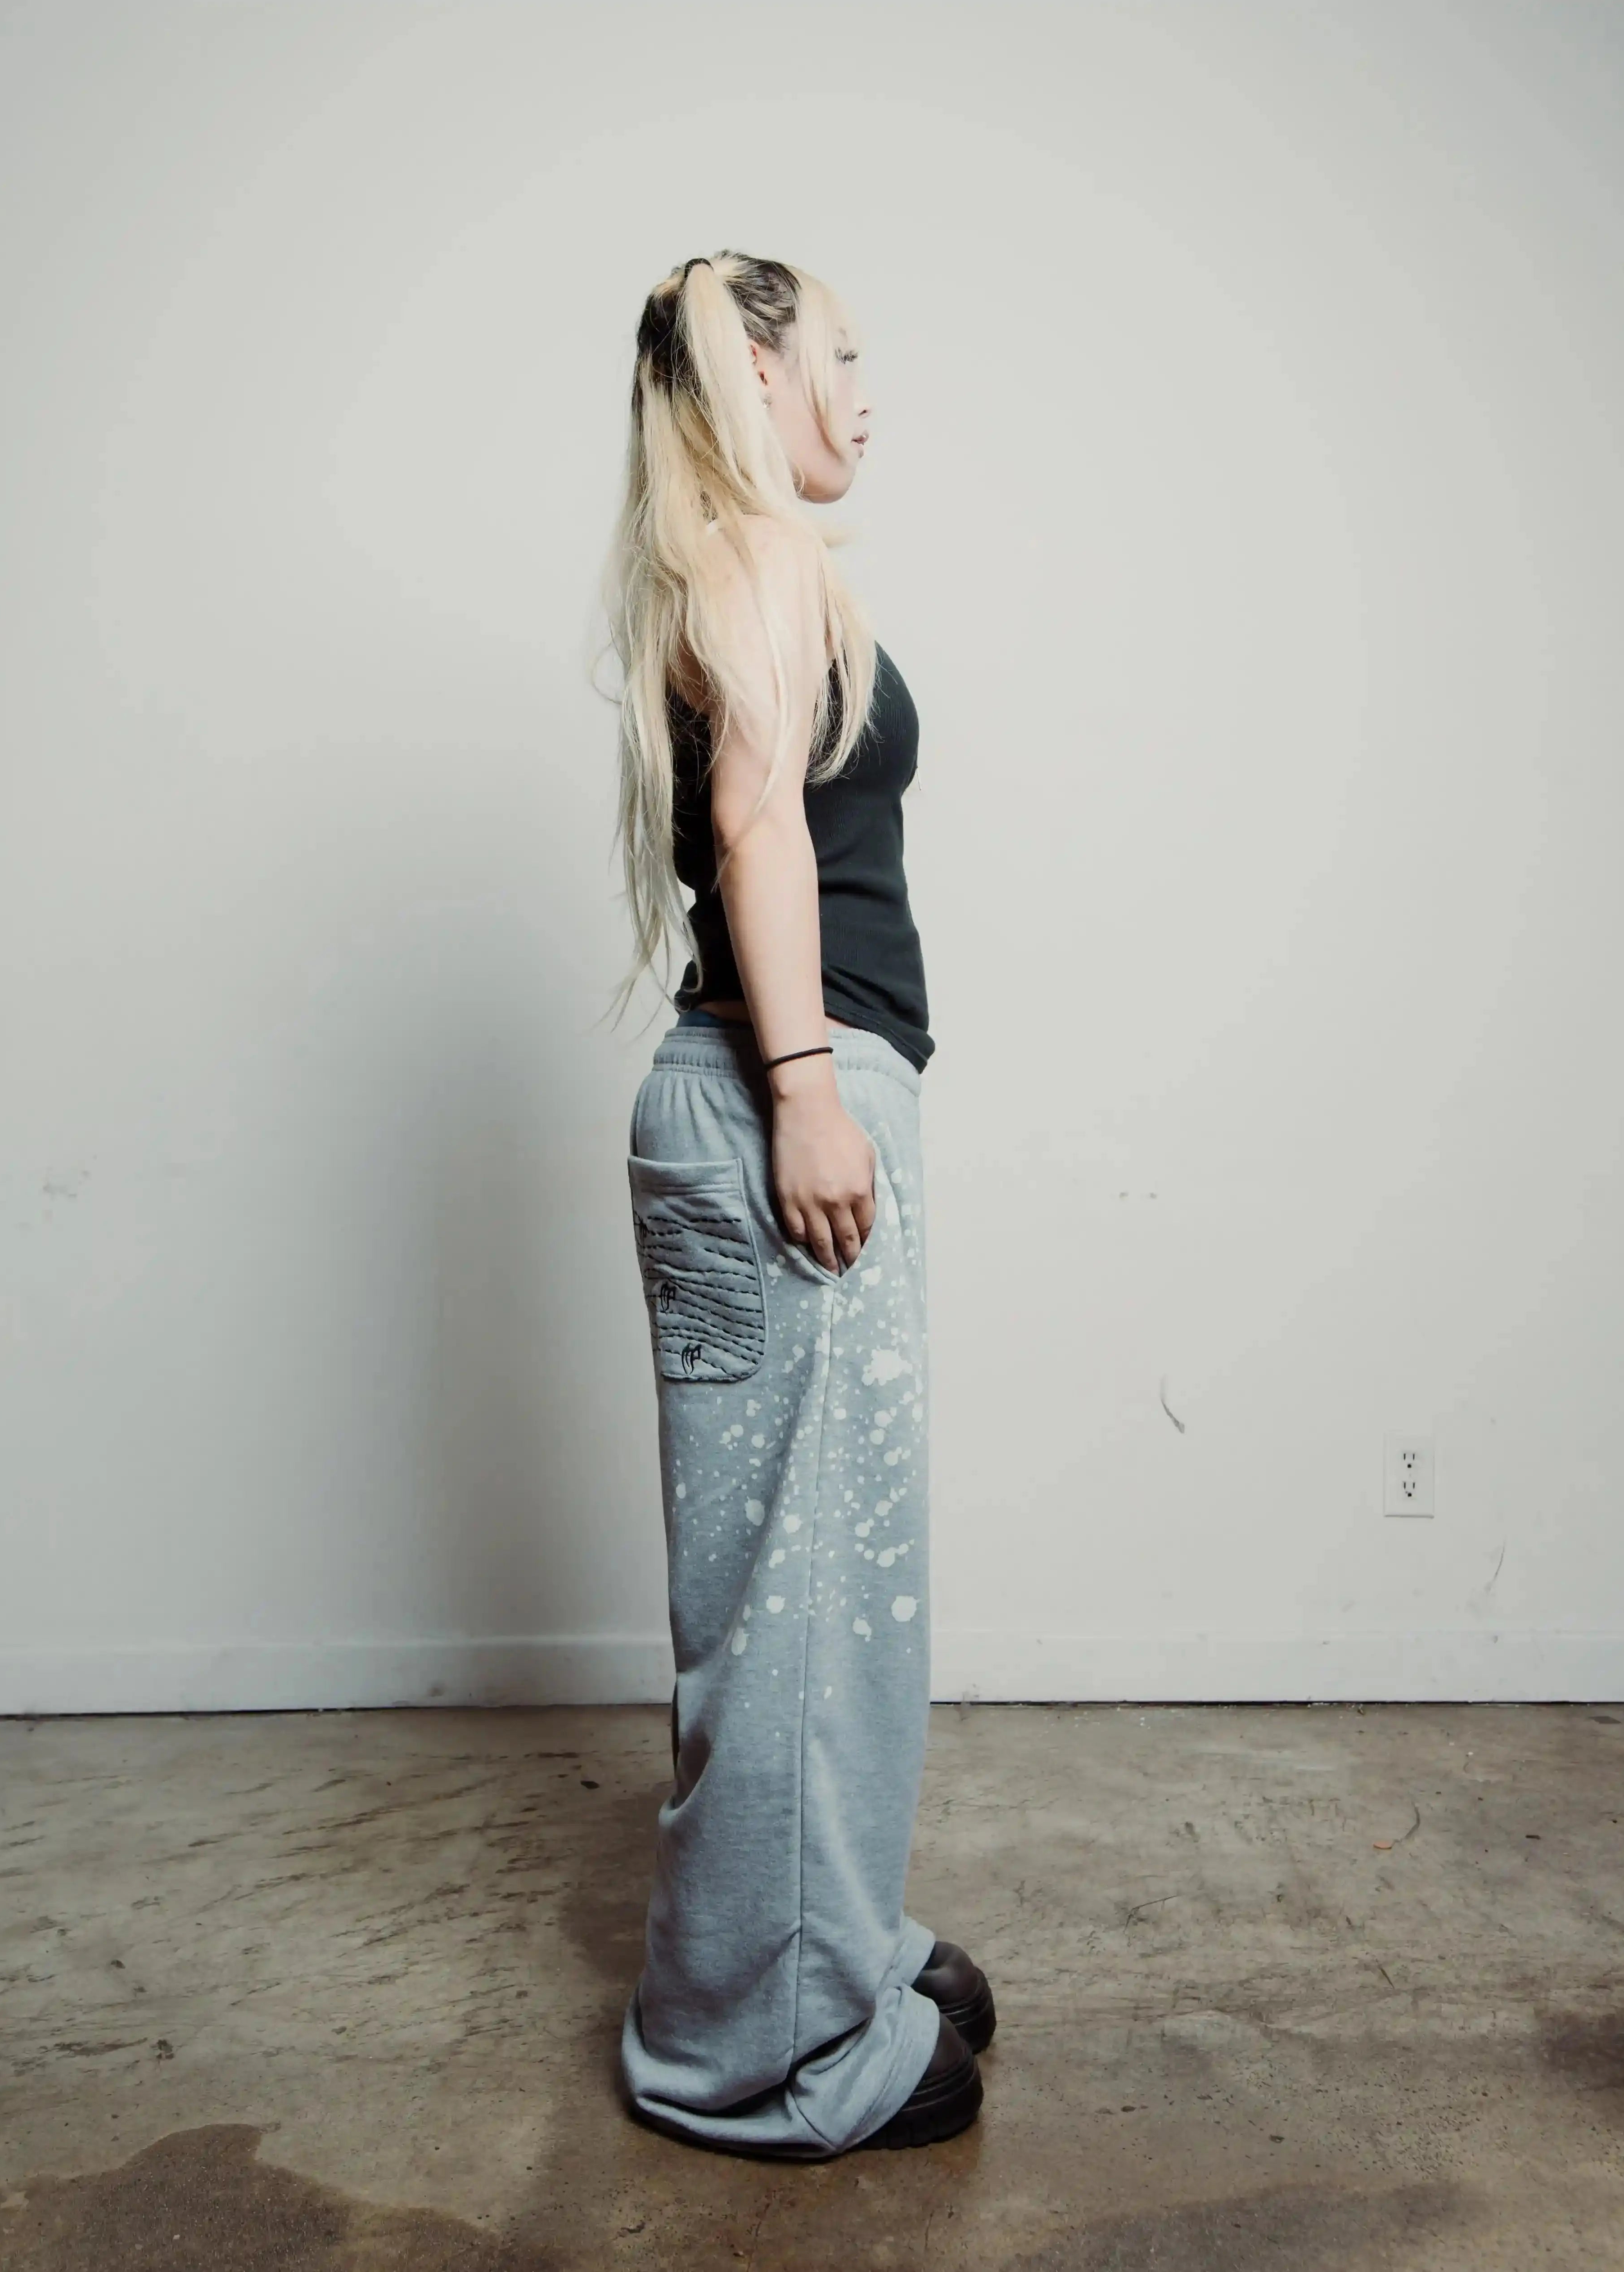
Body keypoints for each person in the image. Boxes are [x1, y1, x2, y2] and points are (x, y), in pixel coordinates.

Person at [600, 250, 994, 2159]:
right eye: (844, 351)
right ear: (758, 370)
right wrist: (811, 1089)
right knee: (808, 1607)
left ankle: (823, 1955)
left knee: (796, 1596)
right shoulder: (756, 557)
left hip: (742, 1098)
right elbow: (760, 821)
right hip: (775, 1106)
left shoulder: (724, 563)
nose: (867, 390)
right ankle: (757, 2055)